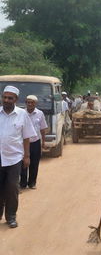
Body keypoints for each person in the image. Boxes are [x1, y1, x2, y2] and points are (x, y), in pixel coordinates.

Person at [0, 86, 36, 228]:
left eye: (10, 98)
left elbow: (26, 137)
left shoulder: (22, 114)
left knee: (12, 188)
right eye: (5, 97)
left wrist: (26, 156)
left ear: (16, 100)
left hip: (14, 158)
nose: (6, 100)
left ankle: (11, 216)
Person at [20, 95, 48, 190]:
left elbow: (43, 129)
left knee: (34, 163)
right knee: (23, 163)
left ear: (35, 104)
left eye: (32, 102)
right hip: (23, 143)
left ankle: (32, 183)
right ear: (26, 103)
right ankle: (23, 183)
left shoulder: (40, 114)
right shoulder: (21, 113)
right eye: (28, 102)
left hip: (35, 142)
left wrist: (43, 142)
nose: (30, 104)